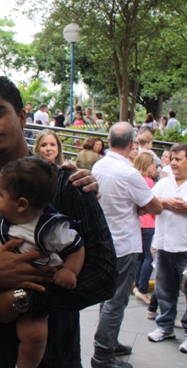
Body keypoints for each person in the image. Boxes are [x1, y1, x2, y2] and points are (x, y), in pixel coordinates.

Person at [0, 74, 116, 368]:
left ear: (22, 116)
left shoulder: (69, 187)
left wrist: (22, 299)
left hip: (54, 357)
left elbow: (105, 276)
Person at [0, 157, 85, 368]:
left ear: (21, 204)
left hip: (30, 292)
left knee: (34, 334)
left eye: (1, 195)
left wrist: (69, 270)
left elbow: (76, 248)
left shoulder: (51, 228)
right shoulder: (0, 221)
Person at [90, 122, 162, 368]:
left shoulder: (99, 166)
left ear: (109, 141)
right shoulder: (128, 173)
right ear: (132, 144)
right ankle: (103, 354)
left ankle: (108, 341)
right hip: (124, 244)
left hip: (104, 242)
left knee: (108, 297)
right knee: (117, 300)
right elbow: (155, 206)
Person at [146, 143, 187, 354]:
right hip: (163, 246)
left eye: (178, 159)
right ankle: (165, 327)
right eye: (172, 159)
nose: (173, 163)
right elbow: (150, 203)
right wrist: (167, 202)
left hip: (184, 247)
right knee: (165, 291)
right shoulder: (164, 183)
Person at [132, 153, 159, 306]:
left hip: (139, 224)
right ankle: (142, 288)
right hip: (149, 223)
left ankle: (138, 283)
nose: (154, 166)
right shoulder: (148, 182)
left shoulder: (137, 180)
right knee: (149, 257)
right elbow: (153, 204)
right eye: (152, 163)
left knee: (141, 257)